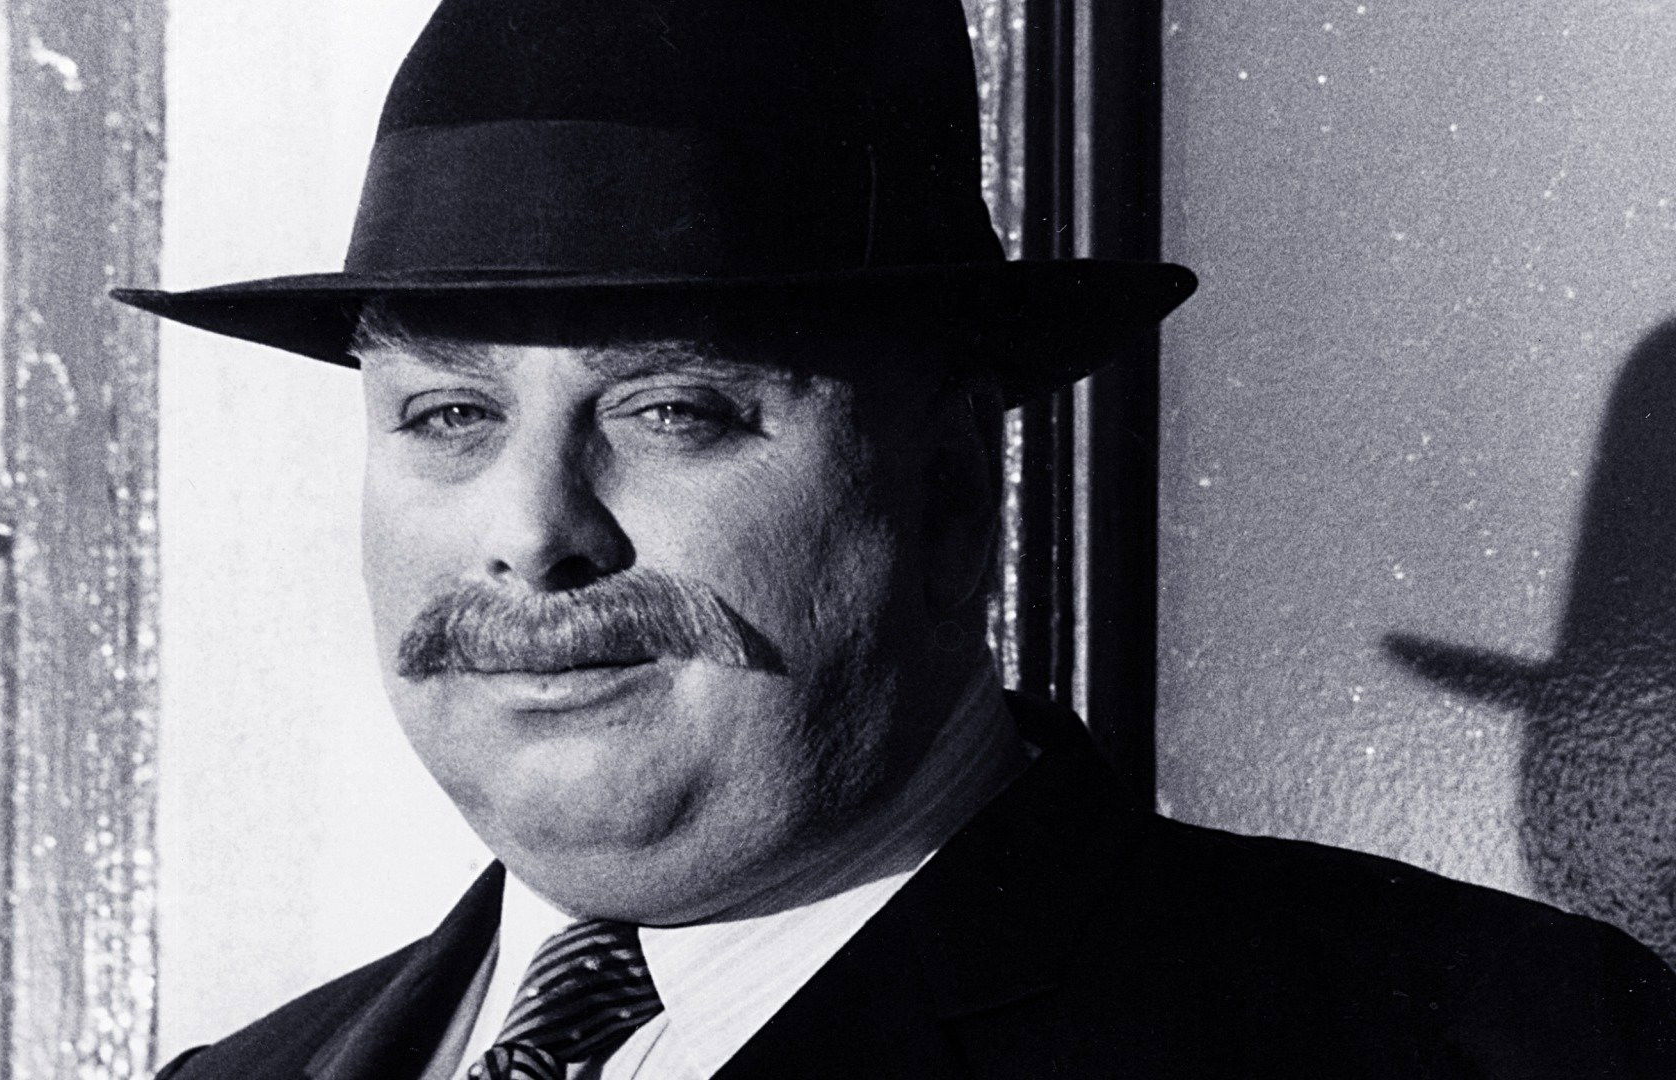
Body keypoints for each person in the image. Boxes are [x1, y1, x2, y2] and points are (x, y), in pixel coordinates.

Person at [114, 0, 1676, 1076]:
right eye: (449, 415)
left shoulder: (1481, 1048)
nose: (532, 533)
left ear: (948, 497)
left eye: (673, 410)